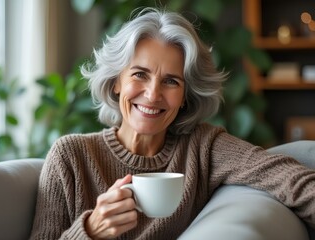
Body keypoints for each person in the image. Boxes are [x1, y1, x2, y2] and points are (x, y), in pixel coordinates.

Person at [30, 7, 315, 240]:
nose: (153, 95)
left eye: (170, 81)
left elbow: (290, 179)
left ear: (185, 96)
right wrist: (90, 231)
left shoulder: (203, 147)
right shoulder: (70, 156)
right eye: (140, 75)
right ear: (116, 82)